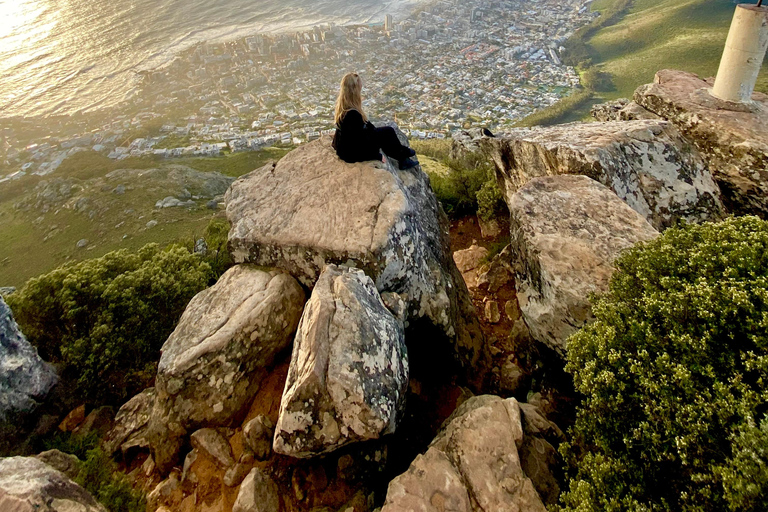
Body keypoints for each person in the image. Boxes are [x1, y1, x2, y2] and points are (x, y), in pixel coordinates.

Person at [332, 72, 418, 169]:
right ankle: (404, 154)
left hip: (349, 148)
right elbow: (355, 148)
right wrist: (376, 156)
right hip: (351, 154)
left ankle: (403, 158)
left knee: (386, 132)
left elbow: (361, 129)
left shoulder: (344, 108)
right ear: (355, 90)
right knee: (388, 132)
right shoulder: (352, 115)